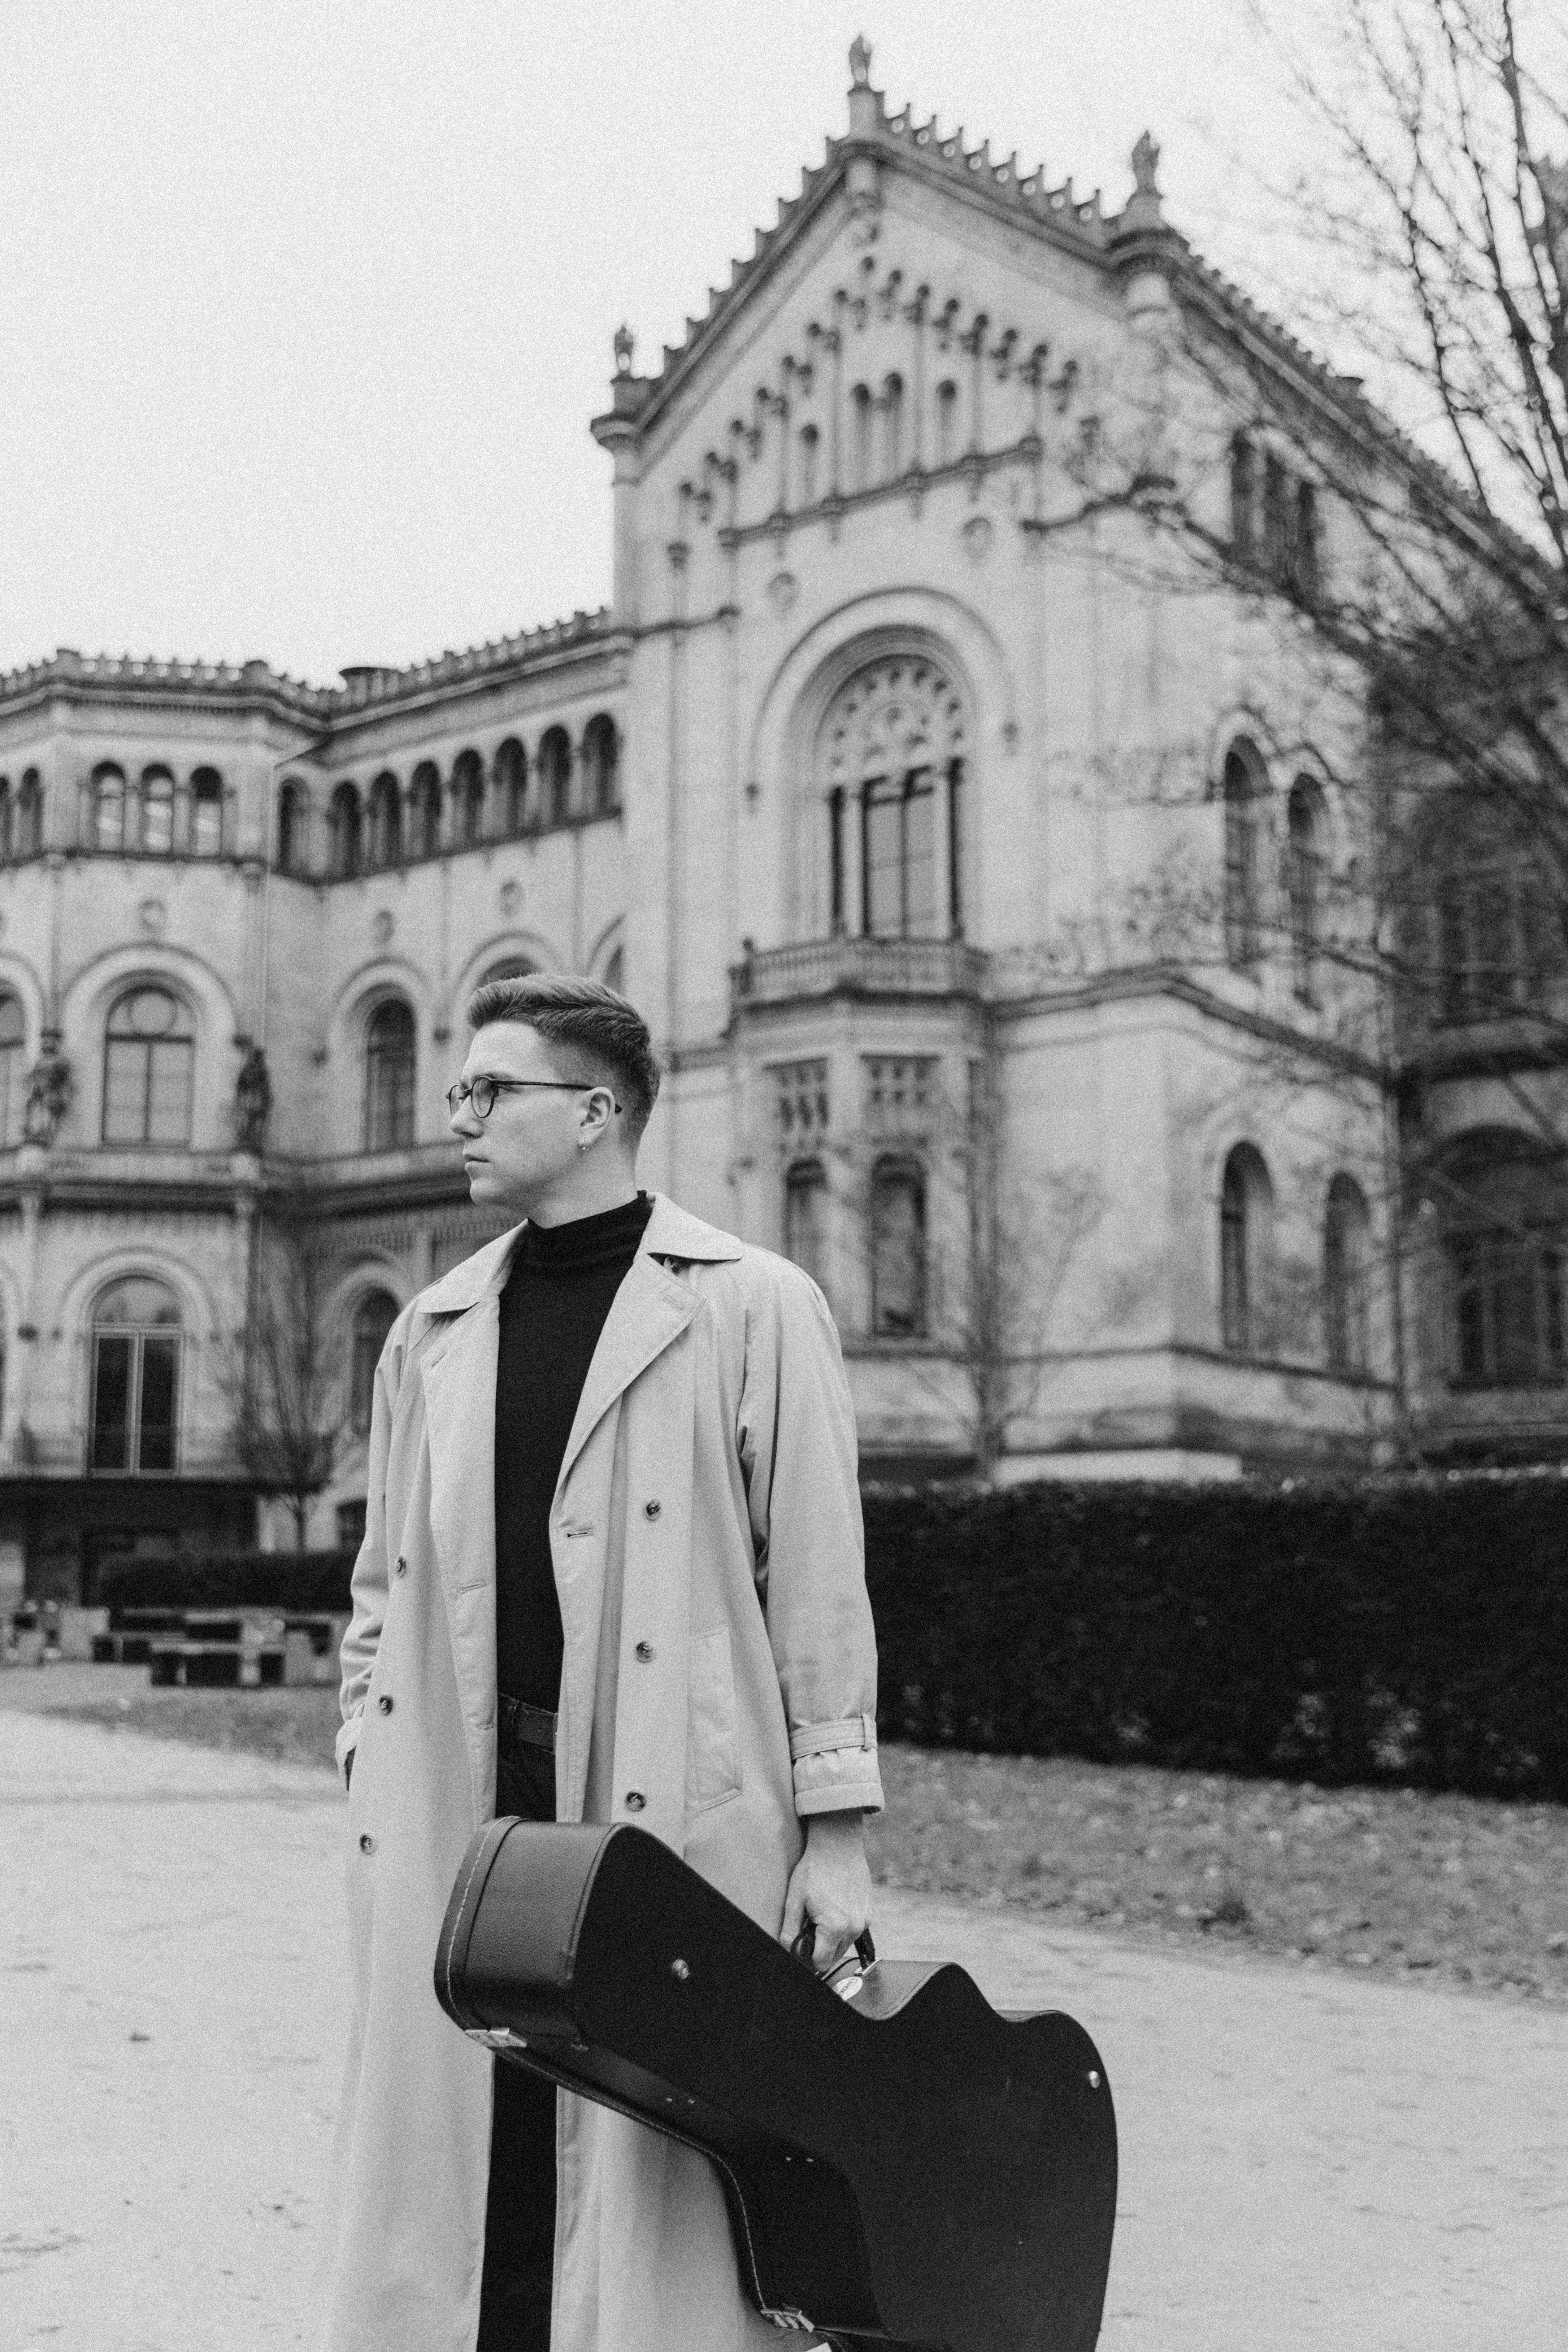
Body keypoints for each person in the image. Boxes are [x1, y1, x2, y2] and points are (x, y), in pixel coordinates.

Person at [318, 973, 882, 2352]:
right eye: (458, 1087)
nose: (457, 1115)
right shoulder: (432, 1327)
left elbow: (818, 1577)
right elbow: (382, 1582)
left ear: (593, 1111)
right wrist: (366, 1749)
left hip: (668, 1790)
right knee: (471, 2135)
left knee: (651, 2154)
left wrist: (838, 1834)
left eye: (487, 1088)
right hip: (464, 1803)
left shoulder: (755, 1304)